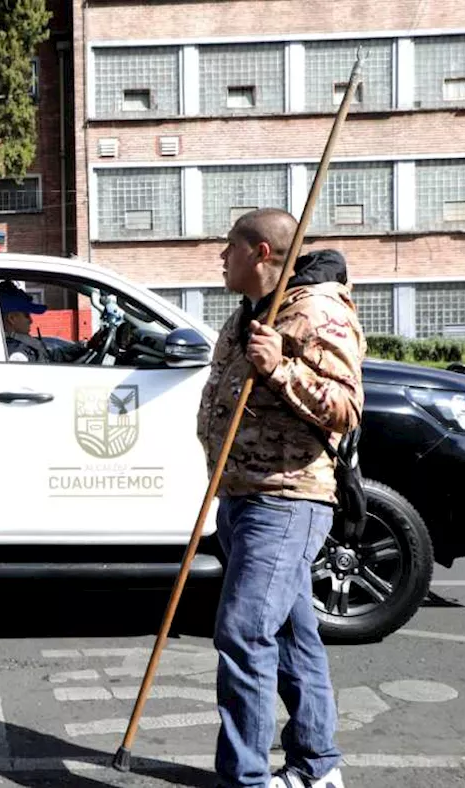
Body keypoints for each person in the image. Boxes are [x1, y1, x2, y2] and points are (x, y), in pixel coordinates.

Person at [196, 209, 365, 788]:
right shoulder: (251, 312)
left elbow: (345, 408)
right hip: (244, 495)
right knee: (292, 633)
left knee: (243, 633)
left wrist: (281, 369)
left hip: (286, 499)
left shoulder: (317, 311)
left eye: (230, 247)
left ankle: (243, 780)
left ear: (262, 251)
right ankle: (319, 767)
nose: (222, 257)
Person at [0, 281, 109, 363]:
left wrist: (86, 345)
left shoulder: (23, 345)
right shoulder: (15, 353)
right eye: (26, 315)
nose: (31, 321)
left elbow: (52, 356)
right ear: (12, 318)